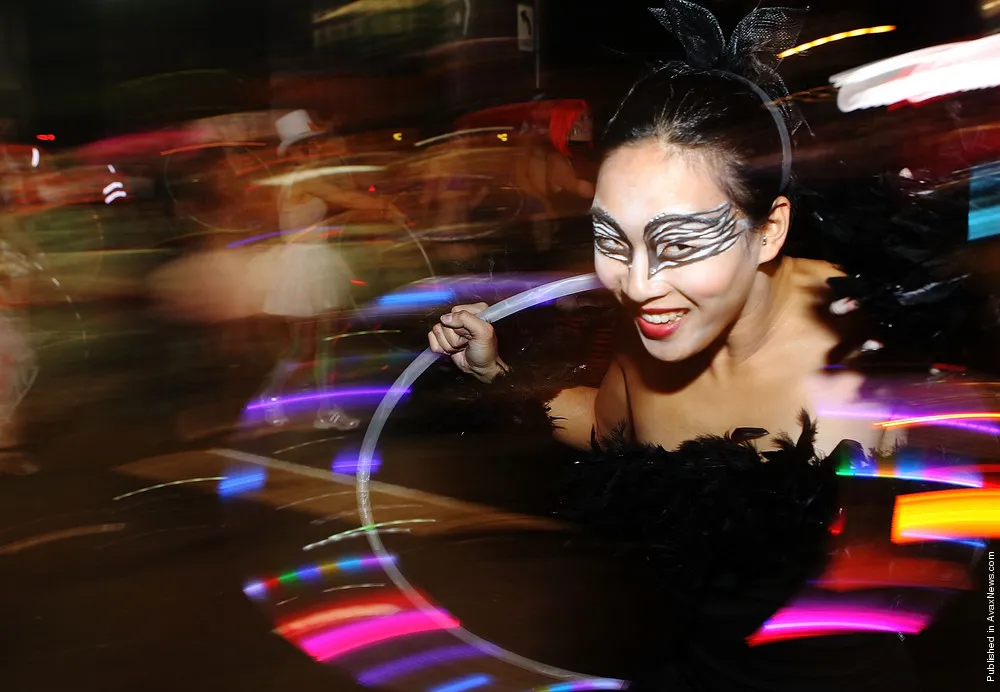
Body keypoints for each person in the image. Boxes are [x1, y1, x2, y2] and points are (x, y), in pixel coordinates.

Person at [421, 2, 985, 689]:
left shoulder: (884, 350)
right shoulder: (650, 354)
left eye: (680, 242)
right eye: (611, 239)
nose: (637, 284)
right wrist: (491, 368)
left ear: (770, 230)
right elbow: (602, 424)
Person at [257, 109, 408, 430]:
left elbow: (310, 219)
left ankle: (322, 408)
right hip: (305, 265)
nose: (312, 149)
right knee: (307, 344)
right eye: (304, 146)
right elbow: (346, 198)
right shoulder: (307, 177)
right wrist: (386, 205)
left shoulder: (304, 178)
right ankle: (276, 398)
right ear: (293, 152)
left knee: (321, 342)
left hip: (311, 260)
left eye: (313, 143)